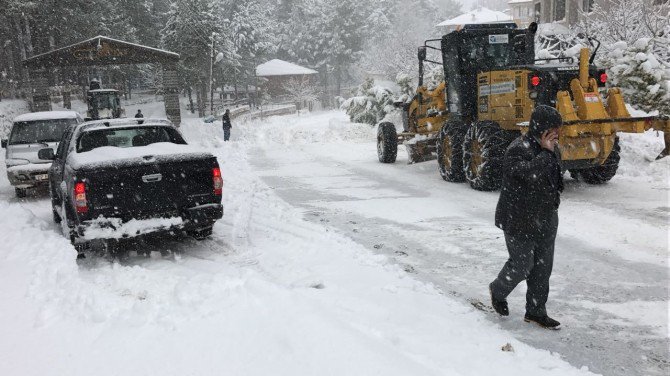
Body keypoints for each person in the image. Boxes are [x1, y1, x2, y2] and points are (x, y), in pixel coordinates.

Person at [489, 105, 564, 330]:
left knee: (543, 268)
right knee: (522, 265)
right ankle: (498, 290)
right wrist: (546, 153)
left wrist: (552, 205)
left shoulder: (552, 149)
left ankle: (536, 312)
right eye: (552, 129)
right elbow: (530, 176)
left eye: (557, 129)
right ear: (540, 128)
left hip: (546, 216)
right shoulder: (517, 149)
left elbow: (555, 181)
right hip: (518, 217)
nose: (556, 134)